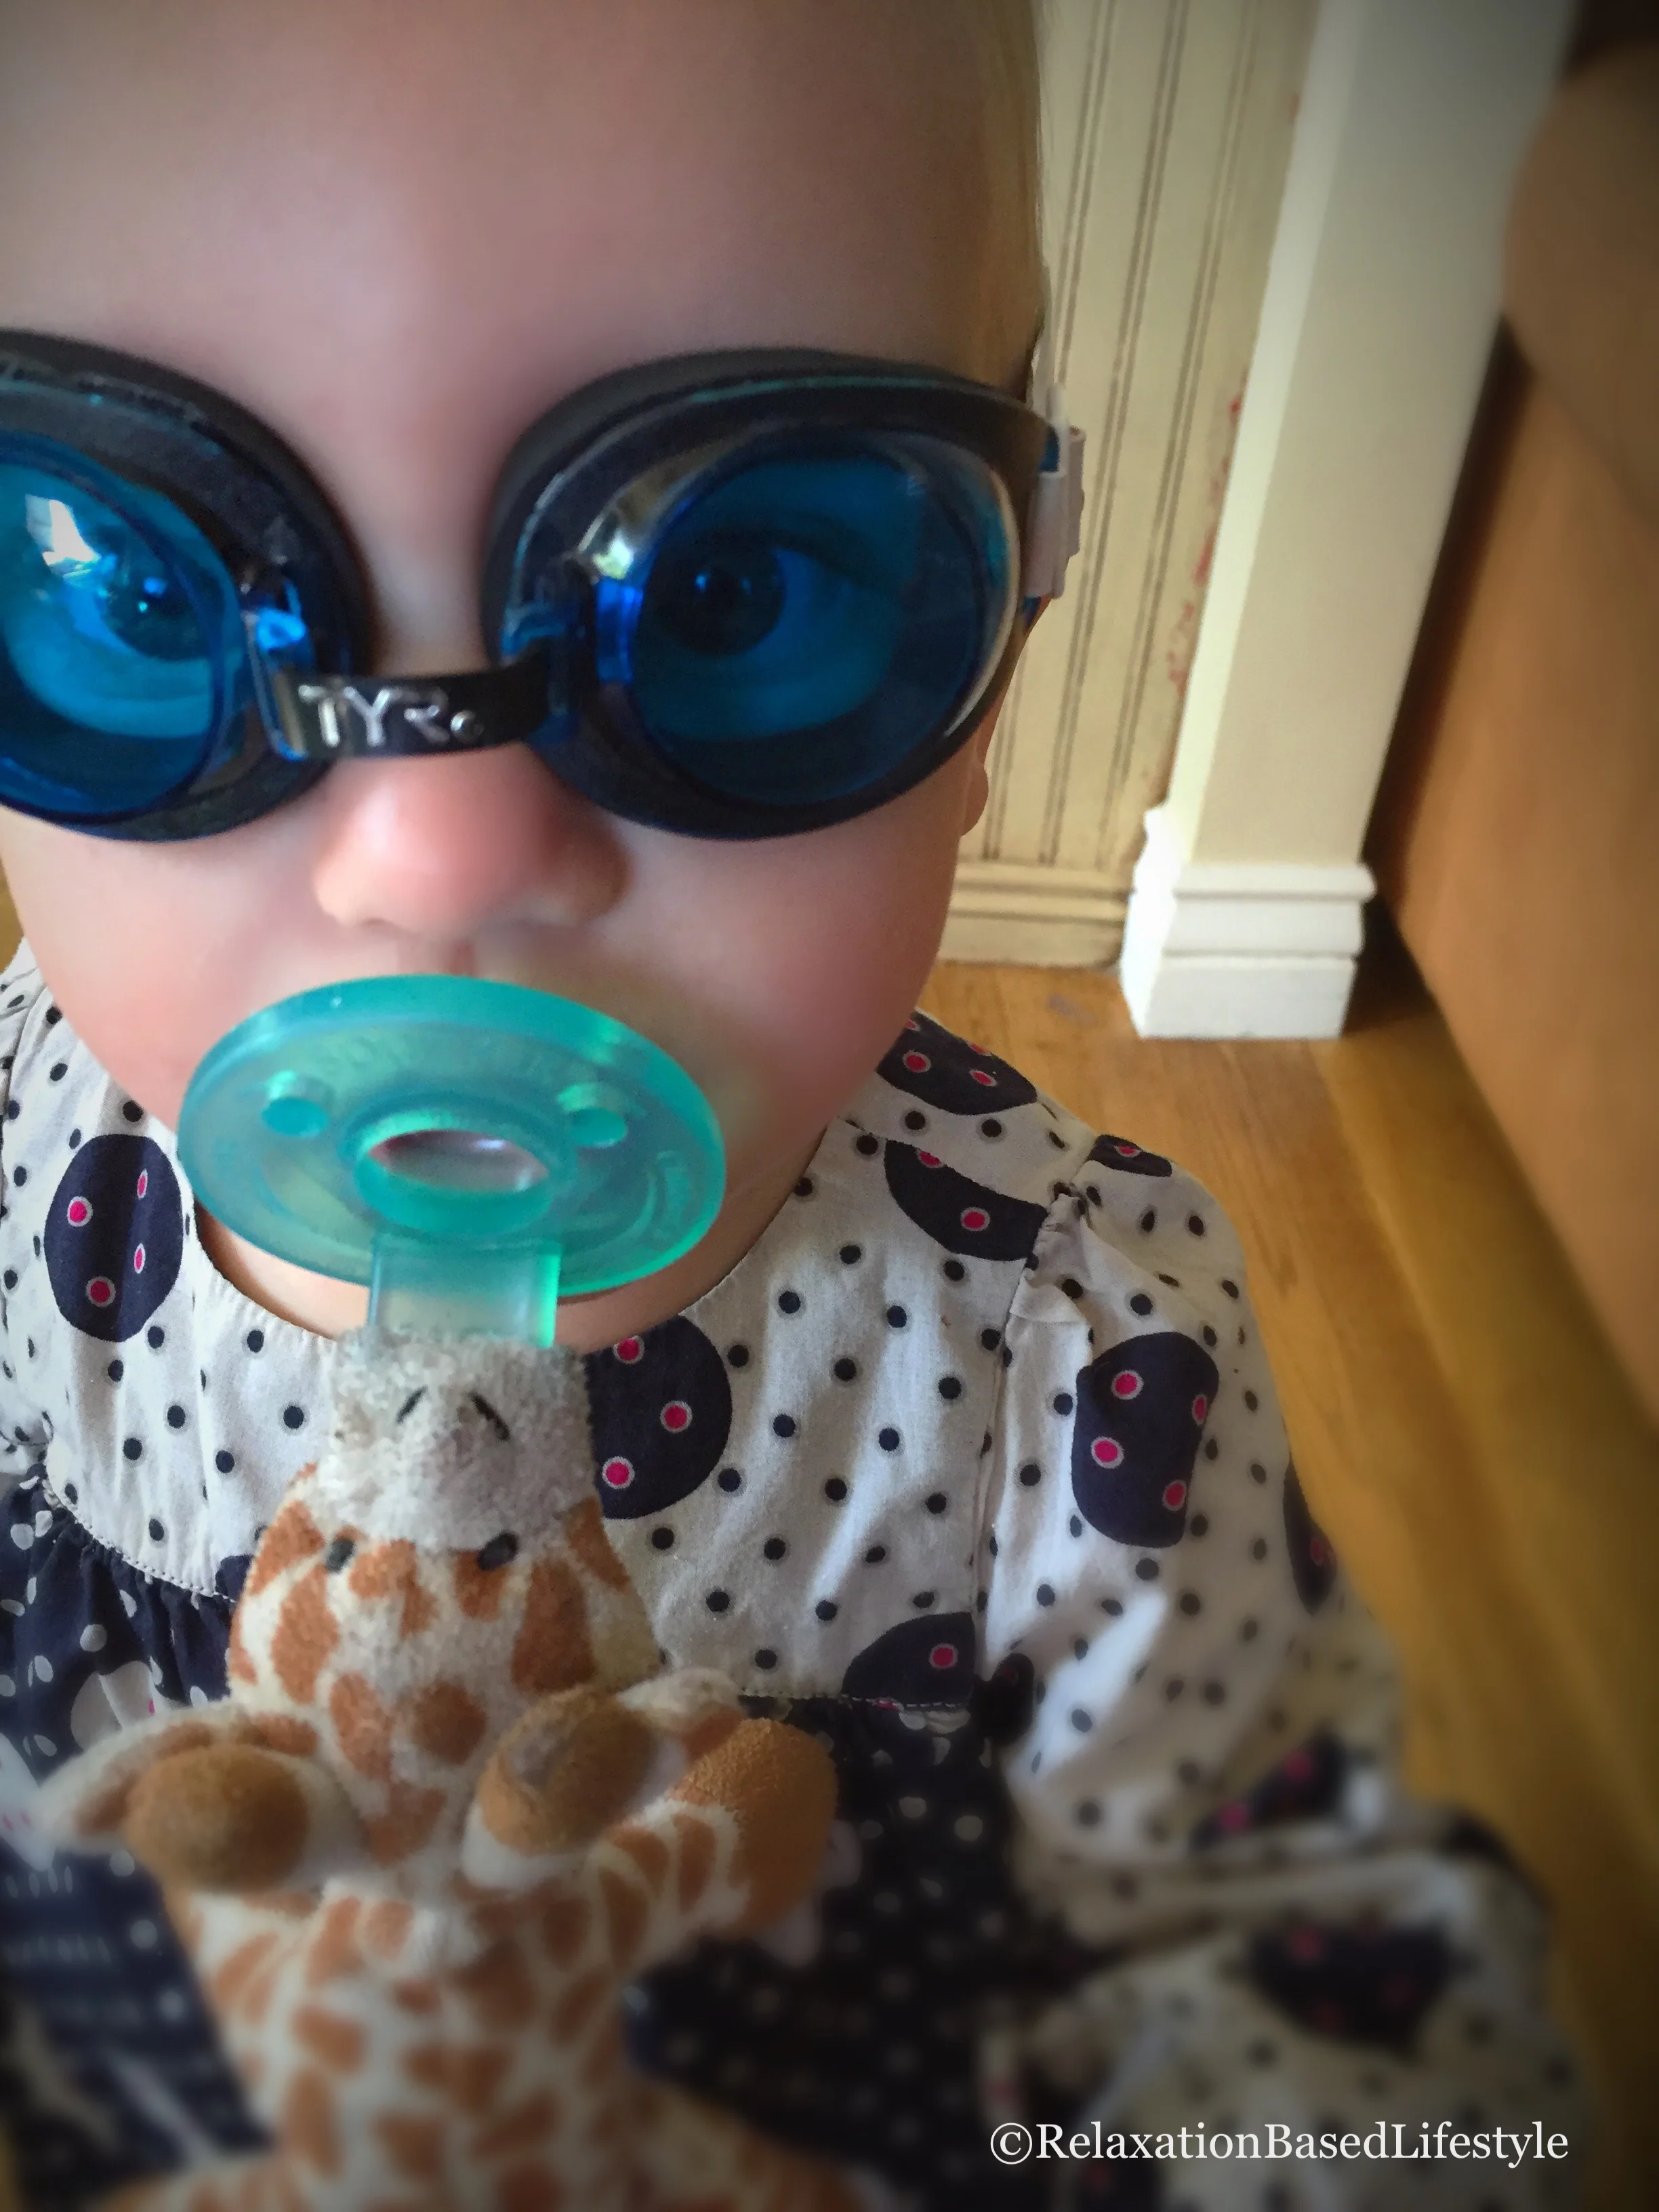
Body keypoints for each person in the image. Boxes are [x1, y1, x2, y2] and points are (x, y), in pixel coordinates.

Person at [0, 3, 1581, 2207]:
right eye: (127, 592)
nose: (440, 861)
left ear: (1011, 619)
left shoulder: (1078, 1370)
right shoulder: (22, 1200)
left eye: (743, 596)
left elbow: (1322, 2025)